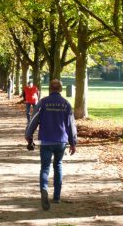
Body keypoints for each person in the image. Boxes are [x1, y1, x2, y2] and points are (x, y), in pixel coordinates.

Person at [25, 79, 77, 211]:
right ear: (60, 89)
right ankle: (57, 196)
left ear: (50, 89)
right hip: (61, 141)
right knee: (58, 166)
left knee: (45, 167)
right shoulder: (66, 104)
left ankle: (44, 189)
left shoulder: (43, 102)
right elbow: (71, 125)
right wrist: (73, 142)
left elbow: (34, 119)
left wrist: (28, 134)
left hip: (46, 140)